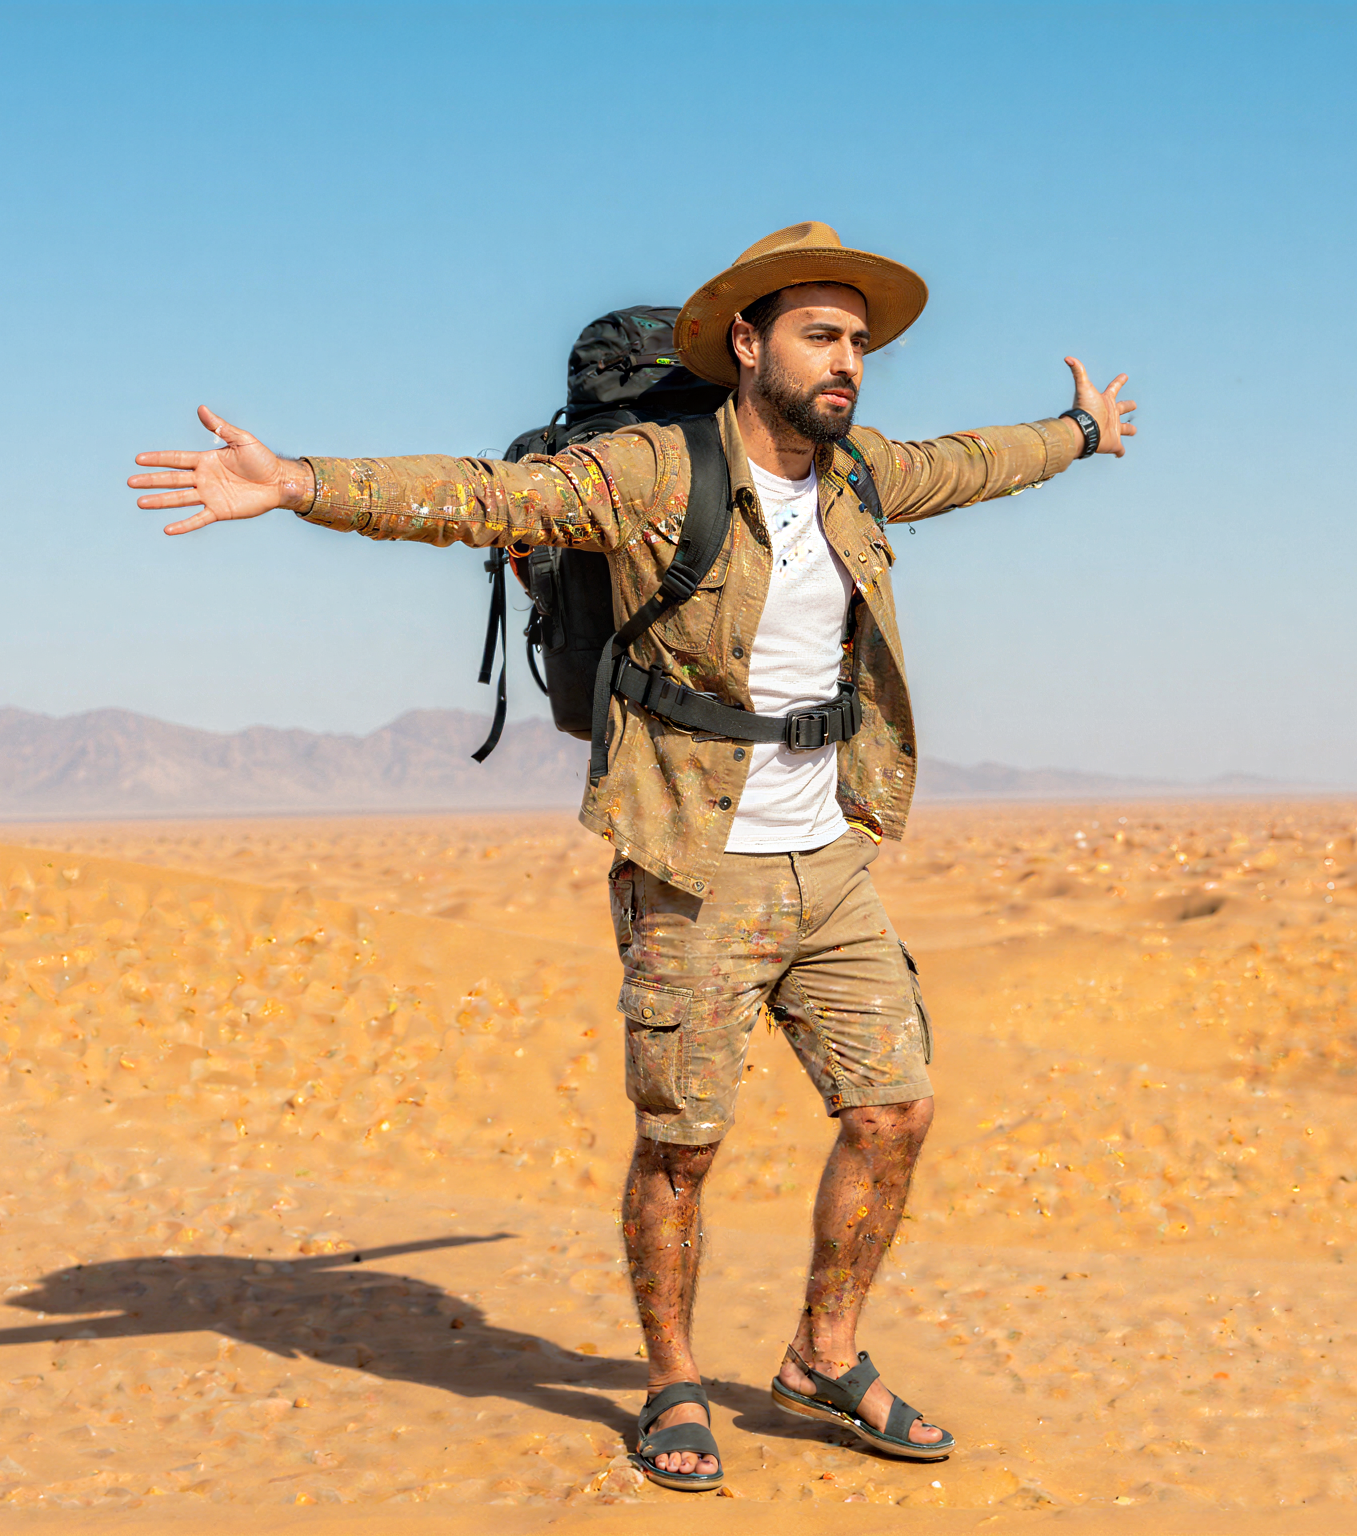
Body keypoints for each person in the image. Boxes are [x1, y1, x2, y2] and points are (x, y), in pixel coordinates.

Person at [130, 222, 1134, 1491]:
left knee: (895, 1111)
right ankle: (670, 1385)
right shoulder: (654, 471)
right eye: (821, 338)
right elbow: (483, 499)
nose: (847, 366)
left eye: (858, 344)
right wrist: (296, 484)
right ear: (746, 343)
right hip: (688, 865)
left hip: (828, 861)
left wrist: (1081, 432)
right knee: (682, 1148)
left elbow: (971, 462)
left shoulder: (856, 473)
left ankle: (825, 1355)